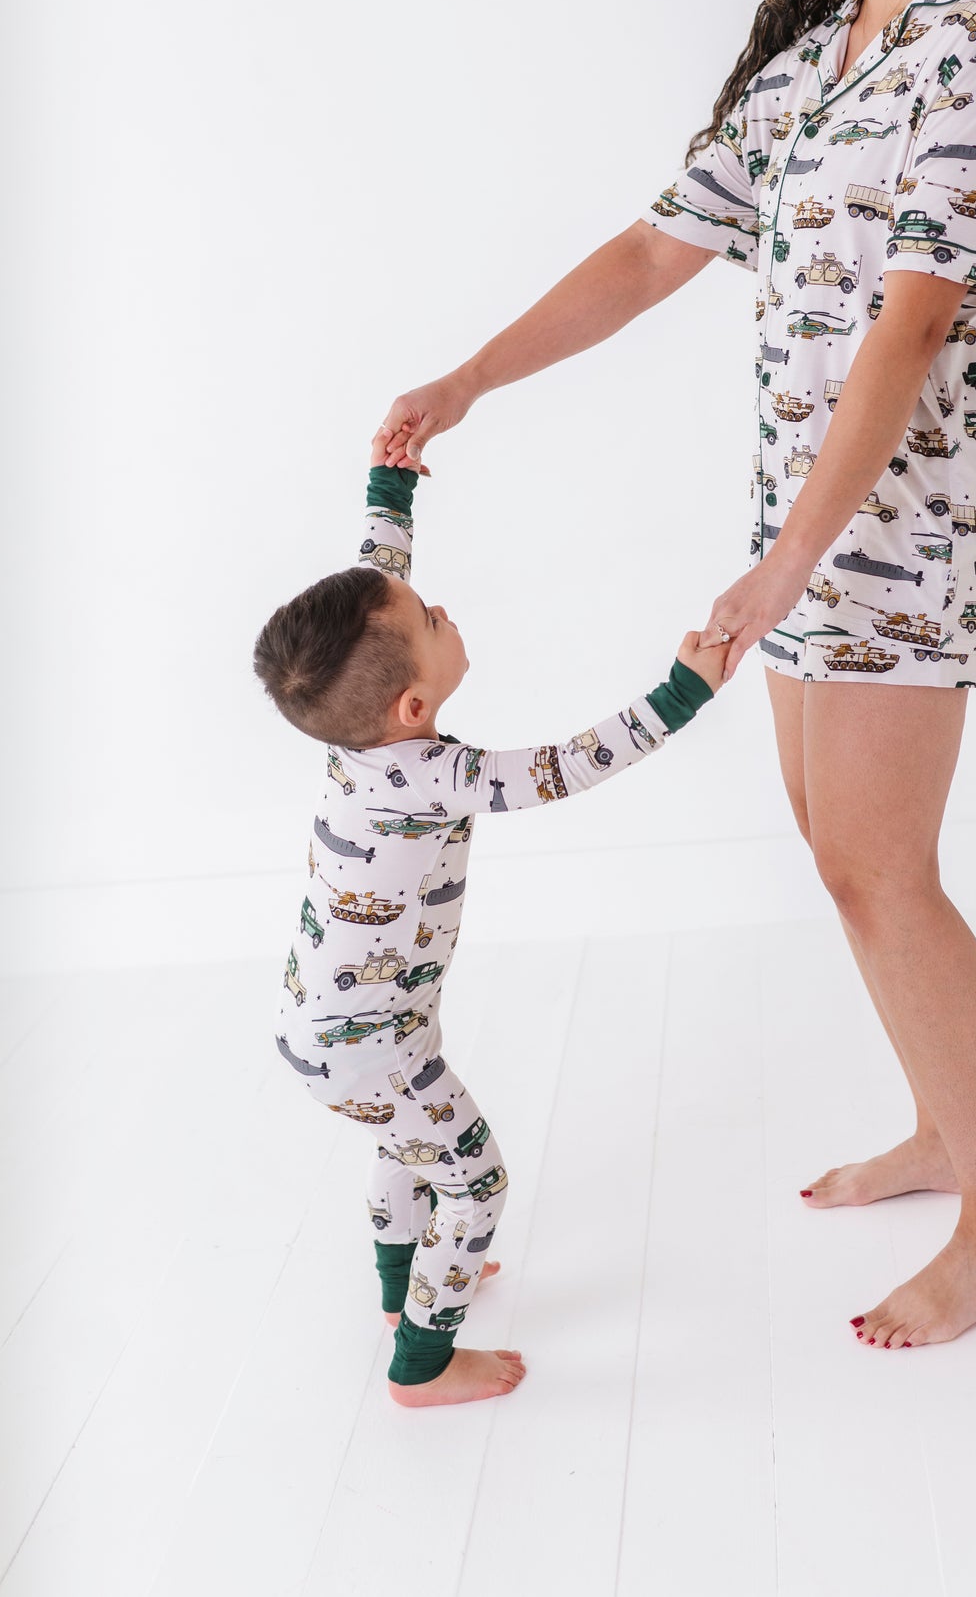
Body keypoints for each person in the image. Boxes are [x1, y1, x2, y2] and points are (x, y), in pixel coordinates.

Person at [374, 0, 976, 1352]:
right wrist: (469, 379)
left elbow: (914, 323)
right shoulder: (819, 53)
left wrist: (781, 568)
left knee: (884, 868)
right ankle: (946, 1130)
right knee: (842, 857)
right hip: (802, 519)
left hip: (914, 522)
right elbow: (652, 252)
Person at [253, 444, 725, 1407]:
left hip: (331, 1030)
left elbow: (376, 580)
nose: (441, 609)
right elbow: (563, 766)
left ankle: (401, 1294)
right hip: (373, 1043)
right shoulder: (436, 775)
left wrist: (390, 486)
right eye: (432, 620)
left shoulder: (351, 733)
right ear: (413, 703)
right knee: (473, 1183)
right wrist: (680, 695)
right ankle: (422, 1364)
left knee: (406, 1147)